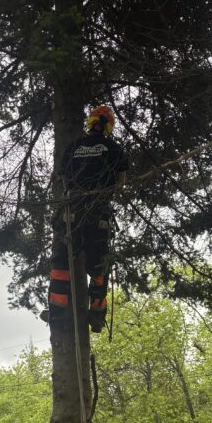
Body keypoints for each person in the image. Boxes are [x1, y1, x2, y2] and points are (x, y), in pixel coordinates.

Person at [42, 104, 128, 333]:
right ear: (108, 126)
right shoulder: (114, 148)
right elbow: (120, 183)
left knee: (62, 263)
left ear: (90, 123)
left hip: (72, 212)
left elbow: (63, 177)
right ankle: (97, 314)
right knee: (99, 266)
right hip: (99, 213)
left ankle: (57, 312)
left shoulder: (73, 147)